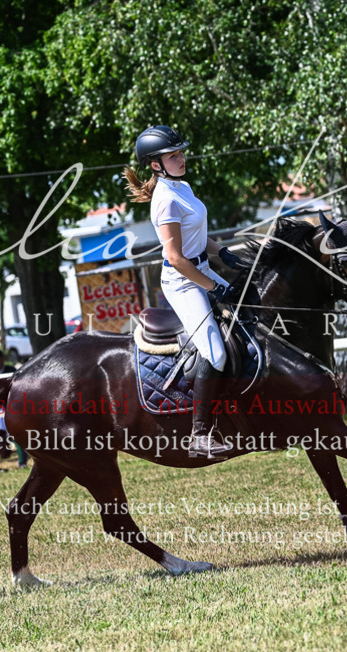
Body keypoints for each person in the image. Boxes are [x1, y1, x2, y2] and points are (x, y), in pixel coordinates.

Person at [123, 125, 245, 458]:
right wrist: (213, 286)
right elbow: (175, 257)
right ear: (155, 165)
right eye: (173, 156)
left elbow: (197, 236)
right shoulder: (164, 200)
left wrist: (224, 253)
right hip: (182, 282)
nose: (181, 159)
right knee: (215, 352)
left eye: (181, 153)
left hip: (203, 268)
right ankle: (200, 435)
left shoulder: (183, 187)